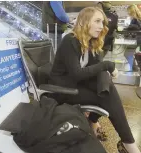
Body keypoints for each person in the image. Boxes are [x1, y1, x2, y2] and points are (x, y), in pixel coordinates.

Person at [49, 7, 141, 153]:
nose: (102, 26)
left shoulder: (90, 41)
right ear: (85, 22)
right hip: (63, 88)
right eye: (97, 21)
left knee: (106, 86)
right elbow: (77, 74)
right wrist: (107, 66)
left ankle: (124, 140)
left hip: (76, 83)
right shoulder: (70, 40)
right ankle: (128, 143)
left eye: (102, 22)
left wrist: (105, 70)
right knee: (105, 94)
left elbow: (96, 67)